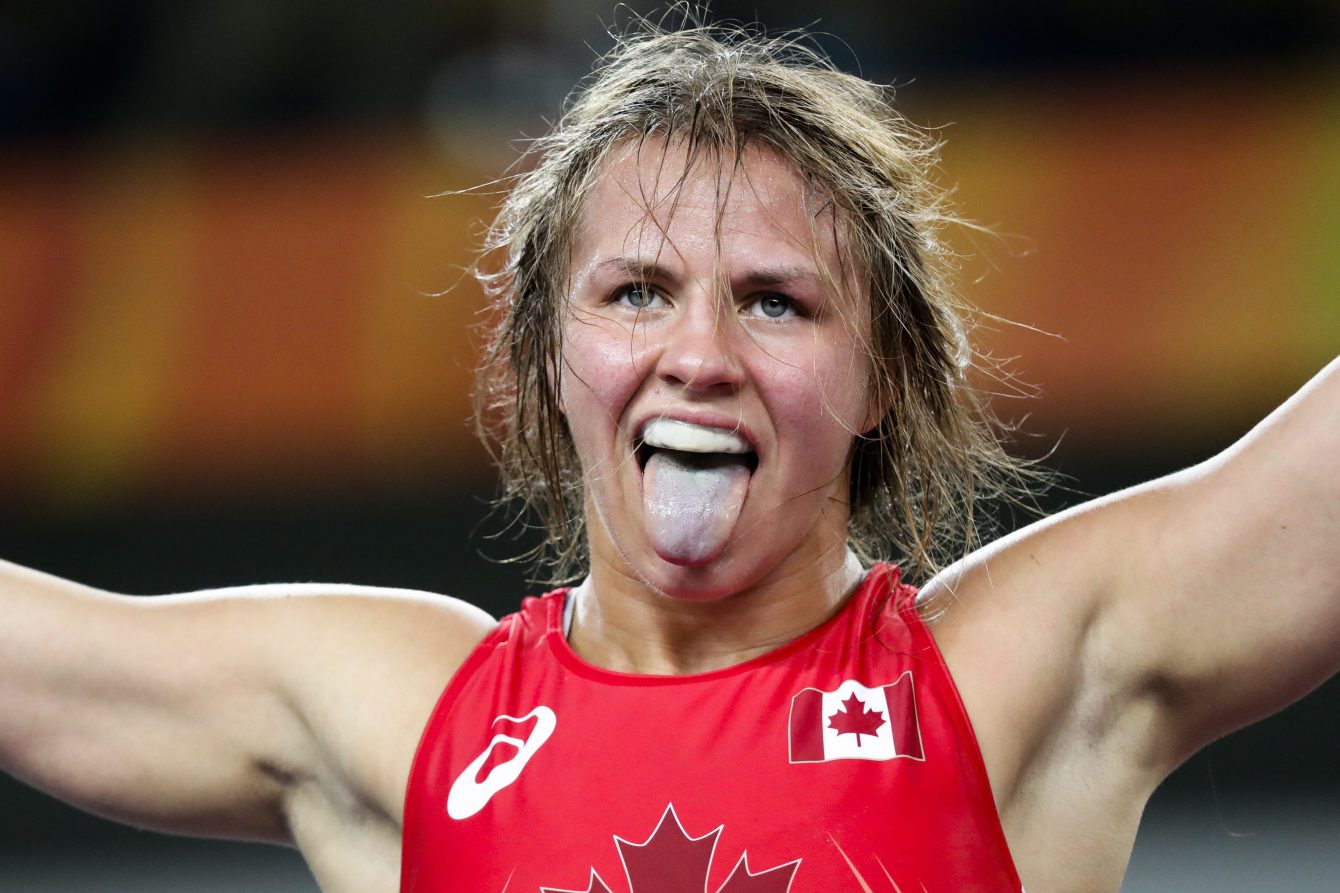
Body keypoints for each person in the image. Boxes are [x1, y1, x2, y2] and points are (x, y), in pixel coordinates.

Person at [2, 24, 1337, 893]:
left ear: (879, 379)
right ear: (543, 359)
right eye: (636, 291)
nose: (700, 353)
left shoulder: (1011, 679)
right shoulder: (396, 716)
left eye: (775, 300)